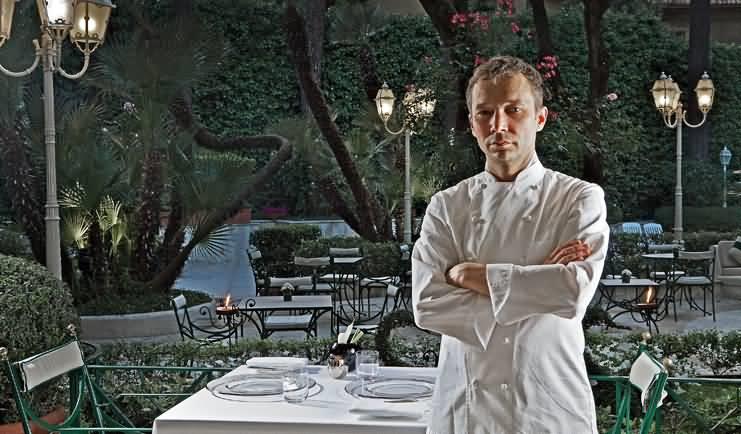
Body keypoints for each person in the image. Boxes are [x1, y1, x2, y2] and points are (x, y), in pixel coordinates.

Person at [412, 55, 609, 434]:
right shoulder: (447, 206)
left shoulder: (577, 198)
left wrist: (469, 275)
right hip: (465, 411)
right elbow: (427, 305)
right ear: (472, 124)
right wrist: (536, 283)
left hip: (548, 407)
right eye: (485, 113)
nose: (498, 125)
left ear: (540, 118)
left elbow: (572, 293)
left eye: (513, 110)